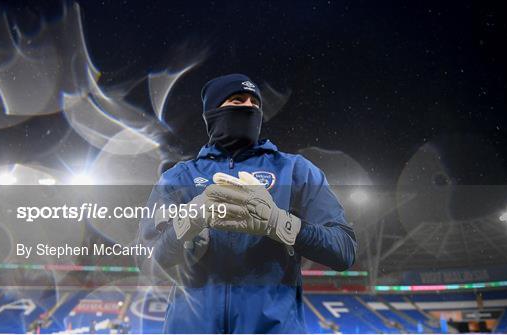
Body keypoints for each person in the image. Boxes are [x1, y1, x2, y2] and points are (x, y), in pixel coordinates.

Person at [138, 73, 357, 333]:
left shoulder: (297, 171)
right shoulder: (178, 178)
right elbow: (146, 260)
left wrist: (280, 223)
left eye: (255, 103)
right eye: (237, 100)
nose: (249, 107)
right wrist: (184, 227)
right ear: (212, 112)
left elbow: (344, 250)